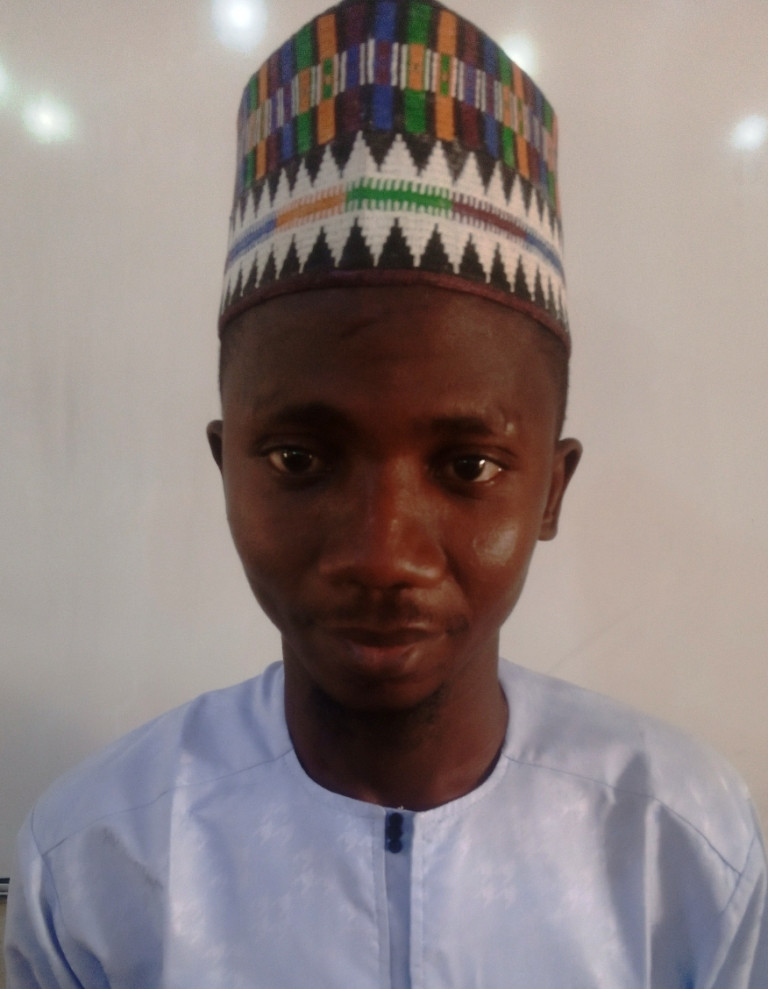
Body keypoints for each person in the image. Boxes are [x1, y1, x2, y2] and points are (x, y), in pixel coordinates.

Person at [5, 0, 767, 985]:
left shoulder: (682, 847)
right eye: (298, 459)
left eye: (468, 466)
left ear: (551, 490)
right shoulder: (99, 862)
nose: (381, 552)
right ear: (226, 466)